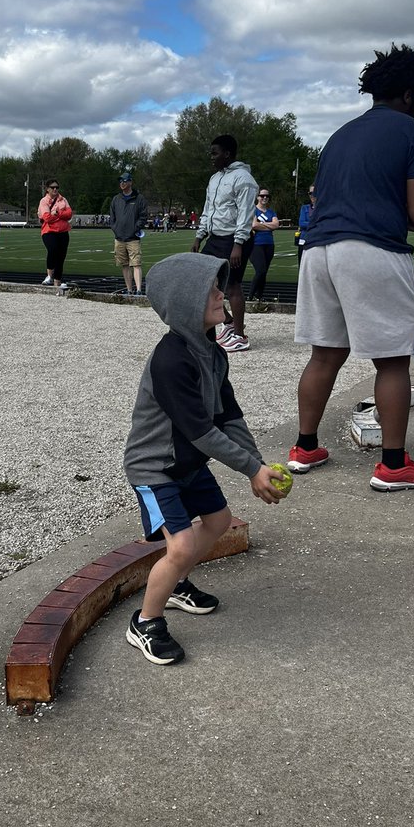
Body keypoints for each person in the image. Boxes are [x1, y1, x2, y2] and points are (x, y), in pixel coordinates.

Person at [122, 252, 287, 665]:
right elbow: (201, 431)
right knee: (177, 548)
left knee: (217, 521)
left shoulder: (212, 351)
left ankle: (175, 585)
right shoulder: (171, 361)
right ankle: (145, 622)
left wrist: (258, 463)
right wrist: (251, 469)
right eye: (210, 289)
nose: (221, 294)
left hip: (188, 462)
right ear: (184, 303)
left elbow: (229, 415)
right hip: (156, 468)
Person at [290, 42, 414, 491]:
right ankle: (394, 466)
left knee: (325, 353)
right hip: (372, 248)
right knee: (392, 362)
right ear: (411, 94)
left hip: (317, 250)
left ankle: (305, 447)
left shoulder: (340, 134)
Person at [191, 134, 257, 352]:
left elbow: (246, 214)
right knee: (203, 280)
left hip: (234, 239)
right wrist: (199, 236)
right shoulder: (214, 179)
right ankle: (227, 321)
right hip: (215, 237)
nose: (211, 157)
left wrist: (238, 243)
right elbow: (207, 209)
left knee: (232, 285)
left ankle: (240, 335)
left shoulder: (243, 179)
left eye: (215, 152)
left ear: (227, 153)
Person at [109, 172, 148, 295]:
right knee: (124, 265)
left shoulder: (139, 198)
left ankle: (138, 290)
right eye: (121, 181)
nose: (122, 183)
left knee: (136, 263)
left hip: (133, 238)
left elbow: (143, 216)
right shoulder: (116, 199)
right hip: (119, 238)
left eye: (125, 181)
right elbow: (112, 217)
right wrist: (115, 228)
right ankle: (129, 289)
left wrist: (135, 228)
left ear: (130, 182)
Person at [37, 178, 73, 289]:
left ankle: (57, 281)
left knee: (61, 257)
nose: (55, 189)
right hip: (49, 231)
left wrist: (57, 214)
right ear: (47, 189)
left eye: (57, 187)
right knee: (53, 250)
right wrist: (60, 215)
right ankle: (49, 275)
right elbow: (46, 217)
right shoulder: (44, 201)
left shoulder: (63, 199)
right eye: (53, 187)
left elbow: (69, 214)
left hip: (63, 231)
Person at [247, 189, 279, 299]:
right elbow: (254, 225)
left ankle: (259, 296)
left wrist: (262, 225)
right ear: (257, 197)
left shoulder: (271, 212)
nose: (265, 198)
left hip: (269, 244)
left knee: (264, 272)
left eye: (267, 196)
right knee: (260, 270)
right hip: (256, 244)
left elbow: (276, 225)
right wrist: (268, 225)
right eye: (262, 196)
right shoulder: (253, 210)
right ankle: (250, 296)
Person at [295, 186, 316, 267]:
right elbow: (302, 223)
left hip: (317, 241)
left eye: (314, 193)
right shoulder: (305, 208)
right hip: (304, 240)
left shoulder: (323, 209)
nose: (312, 195)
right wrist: (316, 223)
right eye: (310, 193)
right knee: (302, 266)